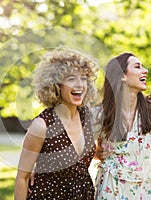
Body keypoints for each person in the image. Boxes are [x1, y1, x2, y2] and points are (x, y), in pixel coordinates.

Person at [14, 47, 100, 199]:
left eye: (84, 78)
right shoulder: (41, 126)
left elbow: (80, 160)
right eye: (71, 78)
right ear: (56, 85)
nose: (80, 84)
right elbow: (22, 178)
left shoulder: (87, 116)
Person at [93, 53, 151, 199]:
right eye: (137, 67)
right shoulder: (99, 114)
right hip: (112, 189)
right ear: (122, 75)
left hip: (145, 190)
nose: (145, 70)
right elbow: (80, 150)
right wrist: (97, 153)